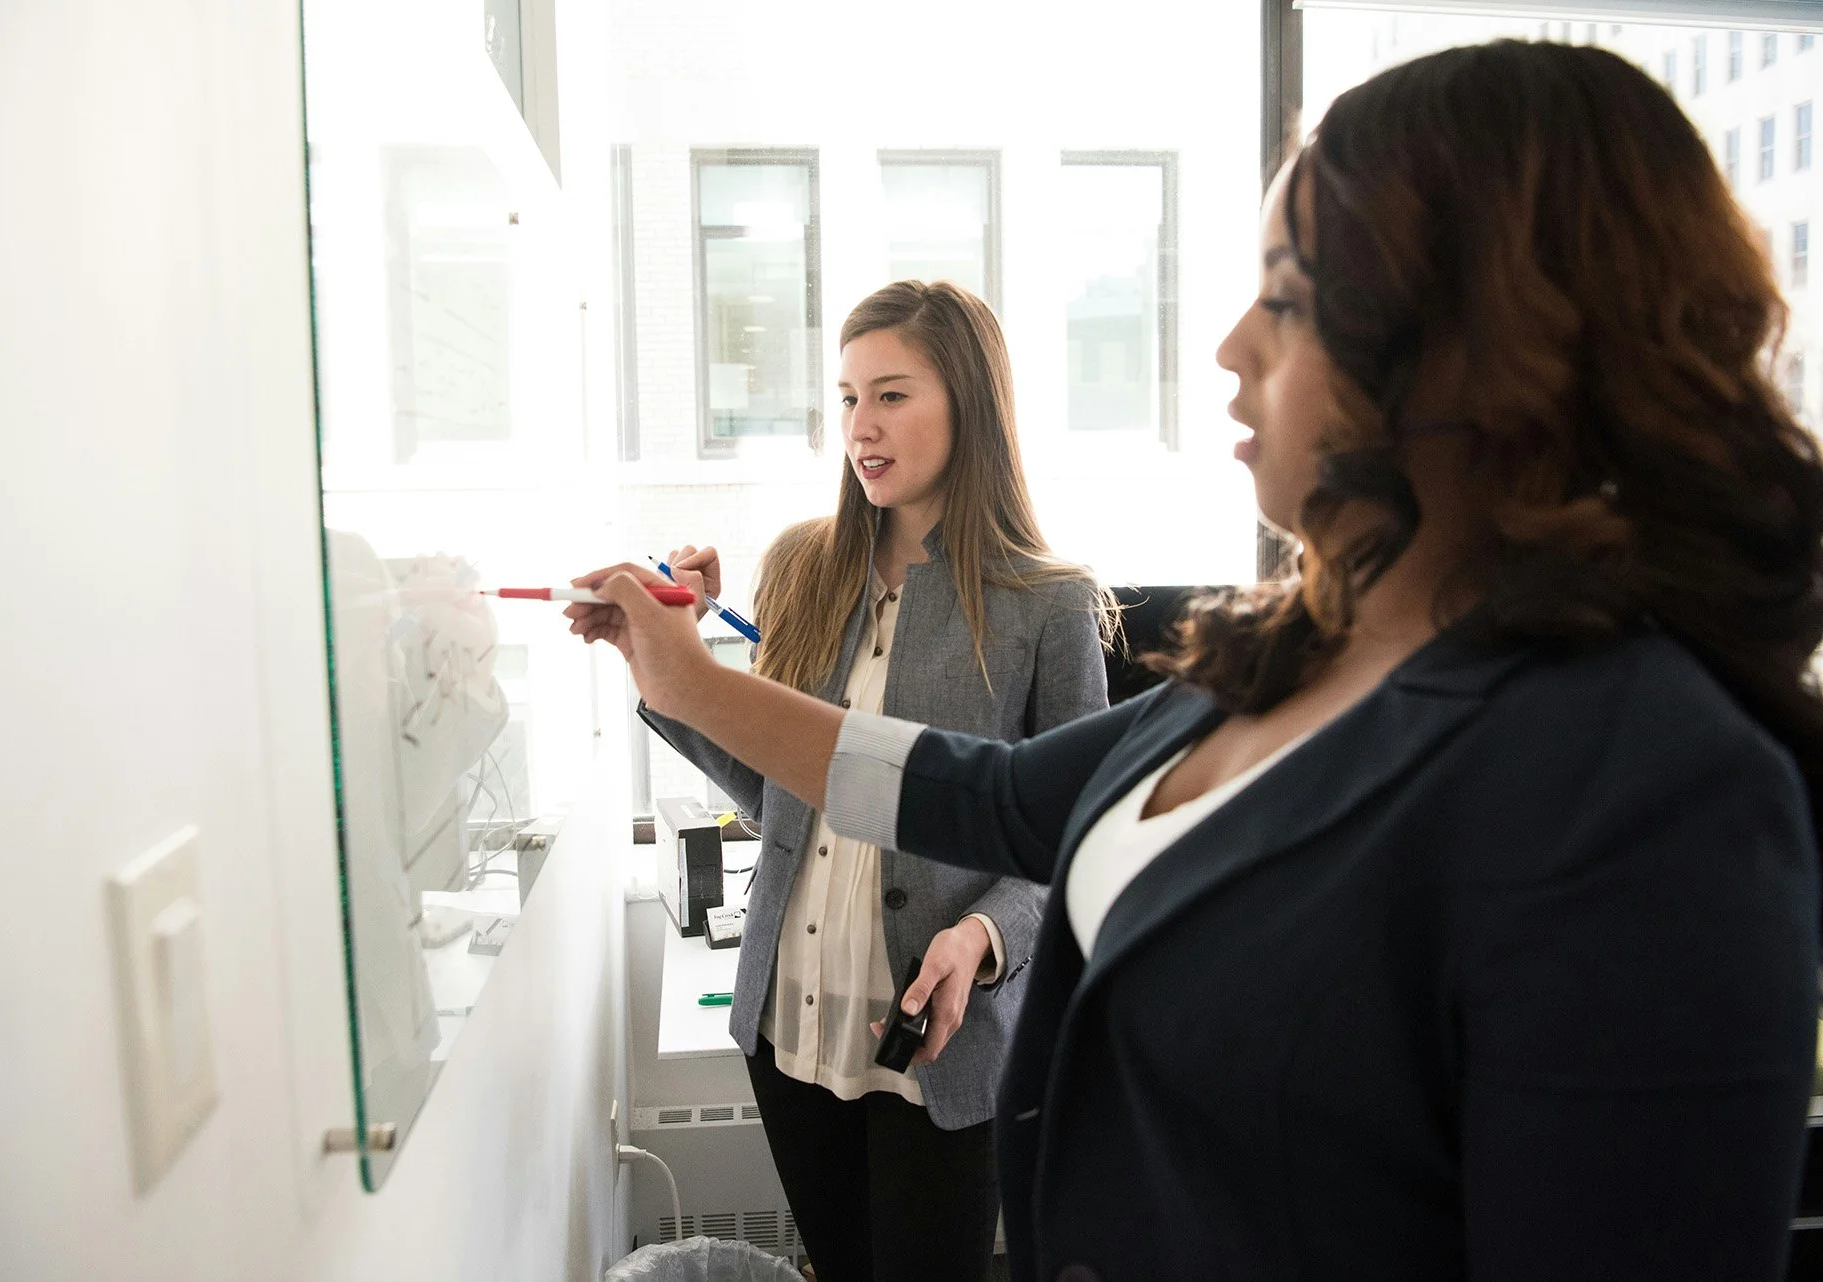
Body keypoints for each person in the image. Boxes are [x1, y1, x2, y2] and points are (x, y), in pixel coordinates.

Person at [575, 41, 1823, 1281]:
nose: (1230, 346)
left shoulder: (1653, 790)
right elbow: (986, 795)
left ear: (1483, 340)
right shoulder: (1279, 662)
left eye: (1285, 296)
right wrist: (680, 678)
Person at [639, 280, 1114, 1281]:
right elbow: (776, 793)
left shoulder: (1048, 603)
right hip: (789, 1014)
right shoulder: (802, 565)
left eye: (892, 394)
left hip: (938, 1038)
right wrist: (672, 669)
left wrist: (984, 937)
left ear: (969, 404)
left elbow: (1078, 839)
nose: (862, 426)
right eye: (849, 397)